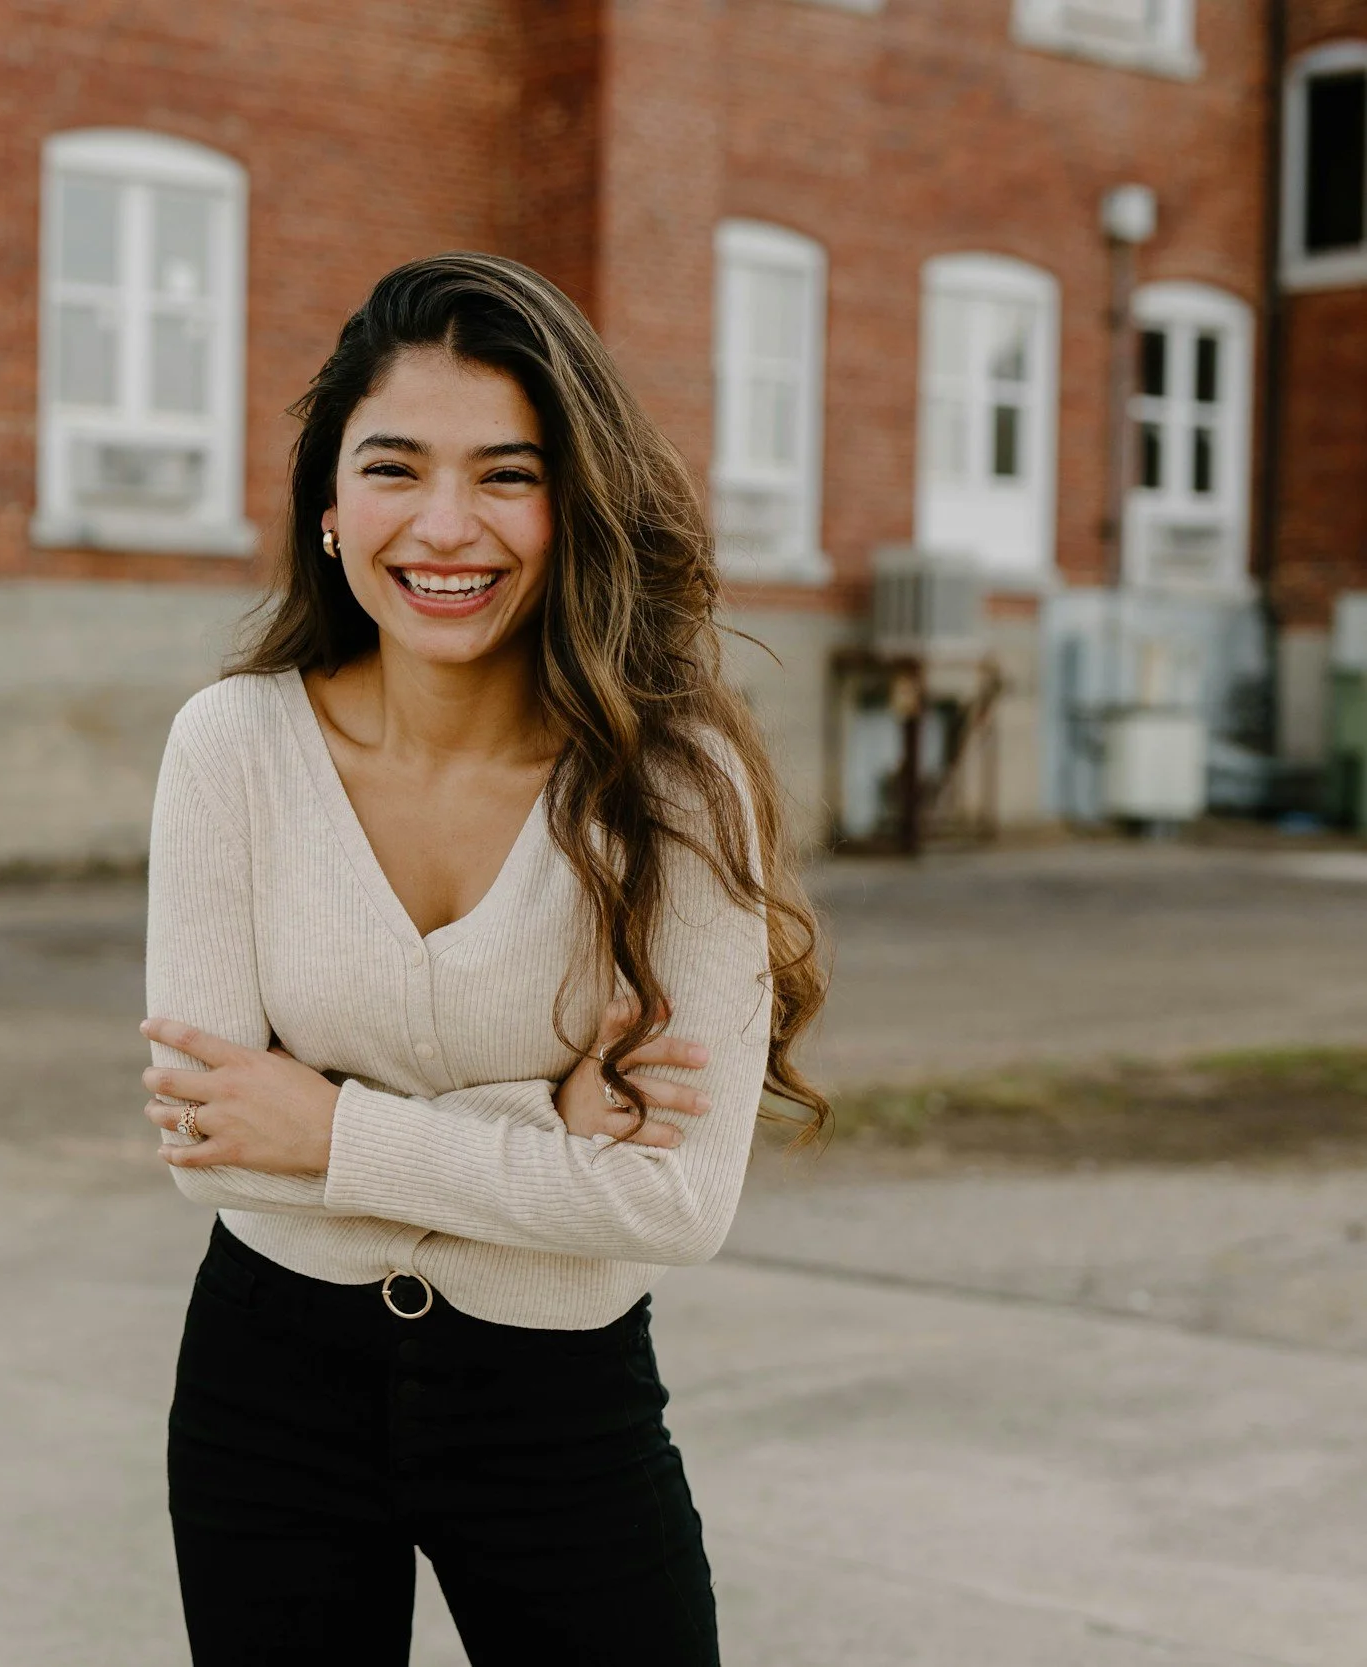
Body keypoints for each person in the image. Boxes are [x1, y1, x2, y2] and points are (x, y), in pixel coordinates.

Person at [138, 252, 828, 1666]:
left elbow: (681, 1203)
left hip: (555, 1396)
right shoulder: (233, 747)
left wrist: (329, 1122)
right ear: (328, 509)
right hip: (269, 1385)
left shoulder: (678, 785)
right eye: (394, 467)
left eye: (506, 474)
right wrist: (539, 1133)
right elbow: (215, 1146)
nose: (446, 525)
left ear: (572, 505)